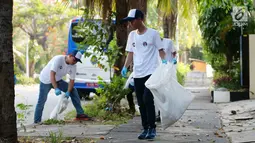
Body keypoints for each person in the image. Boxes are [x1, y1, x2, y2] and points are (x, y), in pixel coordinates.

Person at [121, 9, 166, 140]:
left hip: (151, 72)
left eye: (132, 20)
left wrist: (166, 63)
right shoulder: (132, 36)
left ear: (140, 18)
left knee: (147, 99)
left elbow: (161, 50)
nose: (130, 23)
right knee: (140, 102)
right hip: (138, 73)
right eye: (129, 21)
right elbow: (130, 53)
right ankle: (145, 128)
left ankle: (152, 128)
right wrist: (125, 67)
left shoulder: (153, 34)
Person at [34, 50, 92, 124]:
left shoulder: (73, 66)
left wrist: (68, 91)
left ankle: (80, 114)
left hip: (58, 80)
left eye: (77, 61)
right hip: (46, 79)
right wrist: (56, 88)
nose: (75, 62)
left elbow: (72, 81)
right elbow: (52, 75)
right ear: (70, 56)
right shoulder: (58, 59)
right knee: (42, 101)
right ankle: (36, 121)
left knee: (73, 90)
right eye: (74, 60)